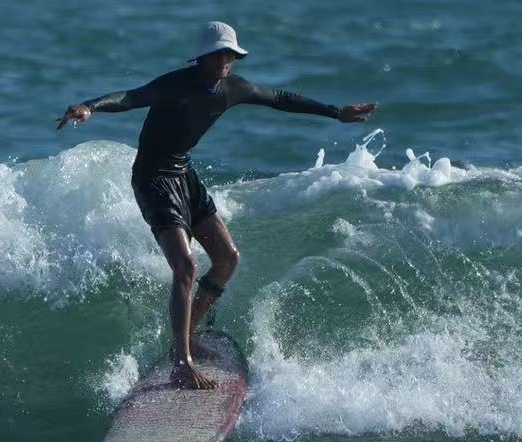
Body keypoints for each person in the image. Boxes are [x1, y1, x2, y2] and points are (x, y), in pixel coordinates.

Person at [57, 21, 378, 389]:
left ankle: (187, 335)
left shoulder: (233, 89)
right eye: (219, 56)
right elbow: (130, 97)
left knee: (227, 259)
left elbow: (280, 98)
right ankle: (181, 361)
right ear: (203, 58)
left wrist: (336, 112)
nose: (226, 63)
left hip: (184, 176)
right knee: (186, 266)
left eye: (231, 56)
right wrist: (90, 107)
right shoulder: (173, 85)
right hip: (152, 179)